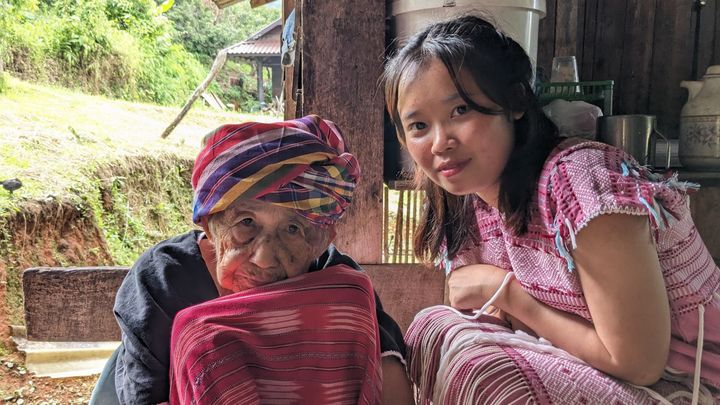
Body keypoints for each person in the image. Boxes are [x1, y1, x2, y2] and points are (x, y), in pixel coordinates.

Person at [383, 14, 720, 404]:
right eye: (419, 126)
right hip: (593, 365)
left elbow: (637, 362)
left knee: (486, 374)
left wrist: (504, 293)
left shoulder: (581, 183)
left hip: (688, 383)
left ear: (515, 101)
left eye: (460, 110)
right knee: (433, 326)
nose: (440, 142)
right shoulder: (470, 203)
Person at [91, 115, 414, 405]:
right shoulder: (164, 279)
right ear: (209, 224)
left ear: (321, 240)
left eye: (292, 229)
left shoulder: (338, 286)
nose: (264, 258)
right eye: (246, 223)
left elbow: (390, 381)